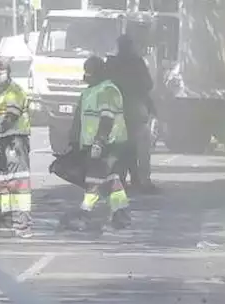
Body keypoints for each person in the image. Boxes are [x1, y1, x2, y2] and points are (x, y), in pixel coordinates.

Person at [61, 56, 130, 232]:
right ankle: (120, 212)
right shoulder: (88, 92)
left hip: (110, 142)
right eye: (86, 71)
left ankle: (85, 212)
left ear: (100, 71)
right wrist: (74, 142)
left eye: (90, 71)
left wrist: (99, 142)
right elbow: (80, 120)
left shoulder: (108, 90)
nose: (87, 75)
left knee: (95, 178)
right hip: (92, 143)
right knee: (110, 178)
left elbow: (107, 119)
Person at [0, 57, 33, 238]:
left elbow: (10, 118)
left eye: (1, 72)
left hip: (15, 139)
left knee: (18, 181)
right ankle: (3, 216)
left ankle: (22, 223)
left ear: (9, 73)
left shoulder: (15, 91)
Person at [107, 33, 157, 193]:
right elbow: (148, 84)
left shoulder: (111, 63)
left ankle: (120, 179)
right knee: (140, 146)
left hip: (115, 109)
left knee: (120, 146)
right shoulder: (137, 62)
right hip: (134, 107)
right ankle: (141, 180)